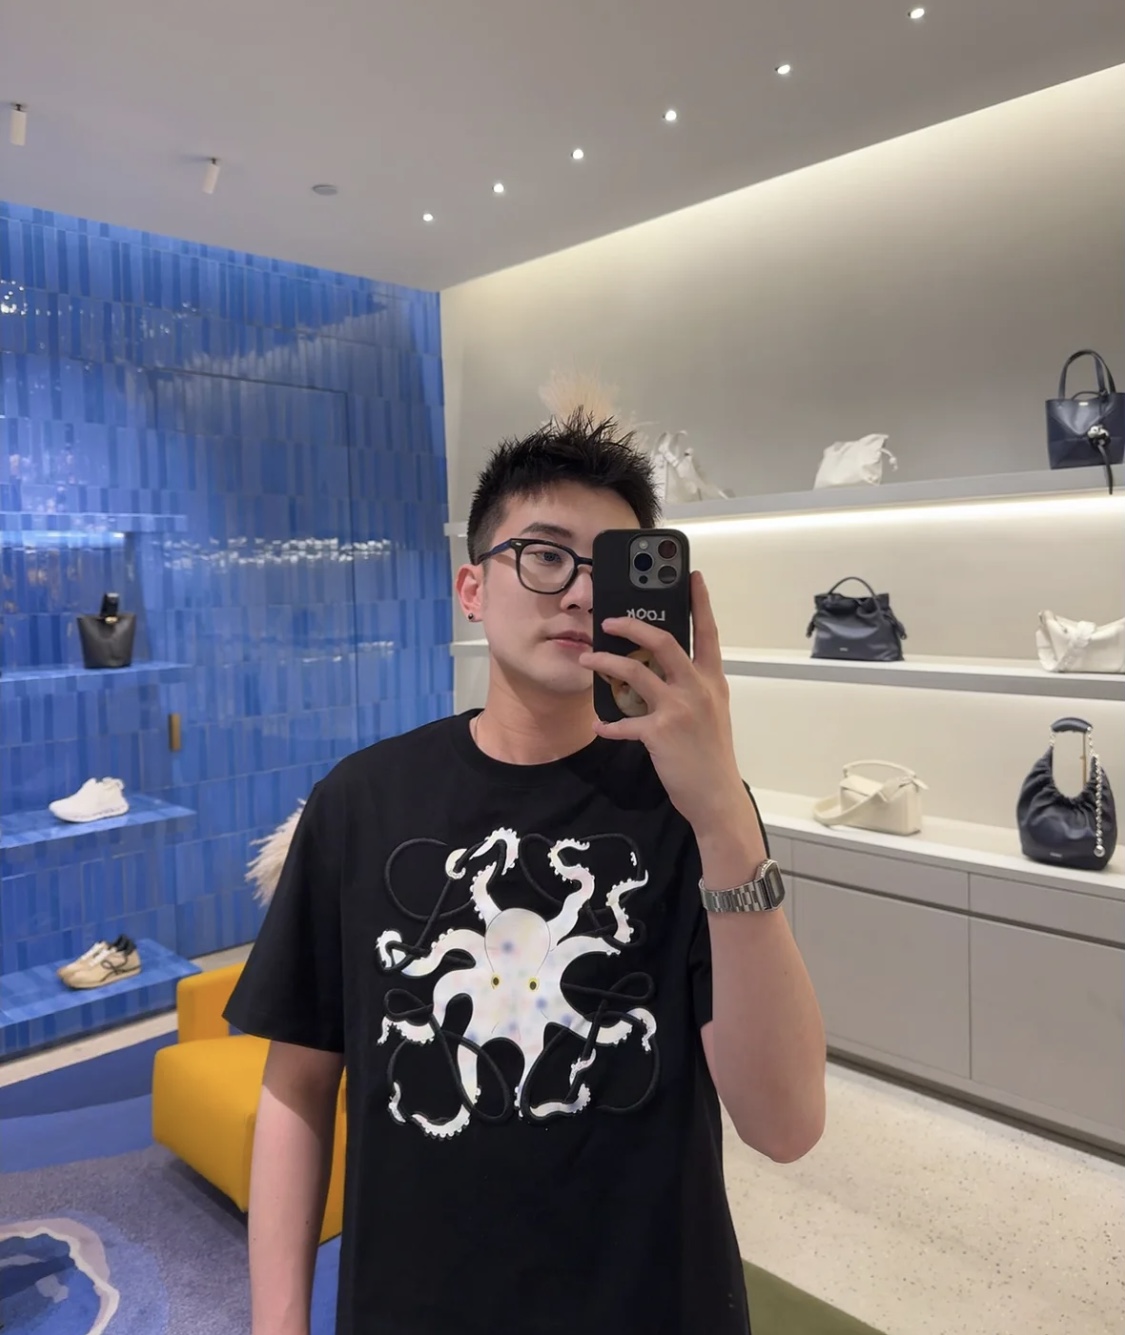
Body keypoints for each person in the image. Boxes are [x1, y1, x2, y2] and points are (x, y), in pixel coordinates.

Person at [225, 411, 827, 1335]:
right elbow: (297, 1085)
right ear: (472, 587)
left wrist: (720, 811)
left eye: (609, 566)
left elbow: (784, 1125)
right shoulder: (360, 801)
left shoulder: (689, 805)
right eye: (545, 556)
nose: (580, 593)